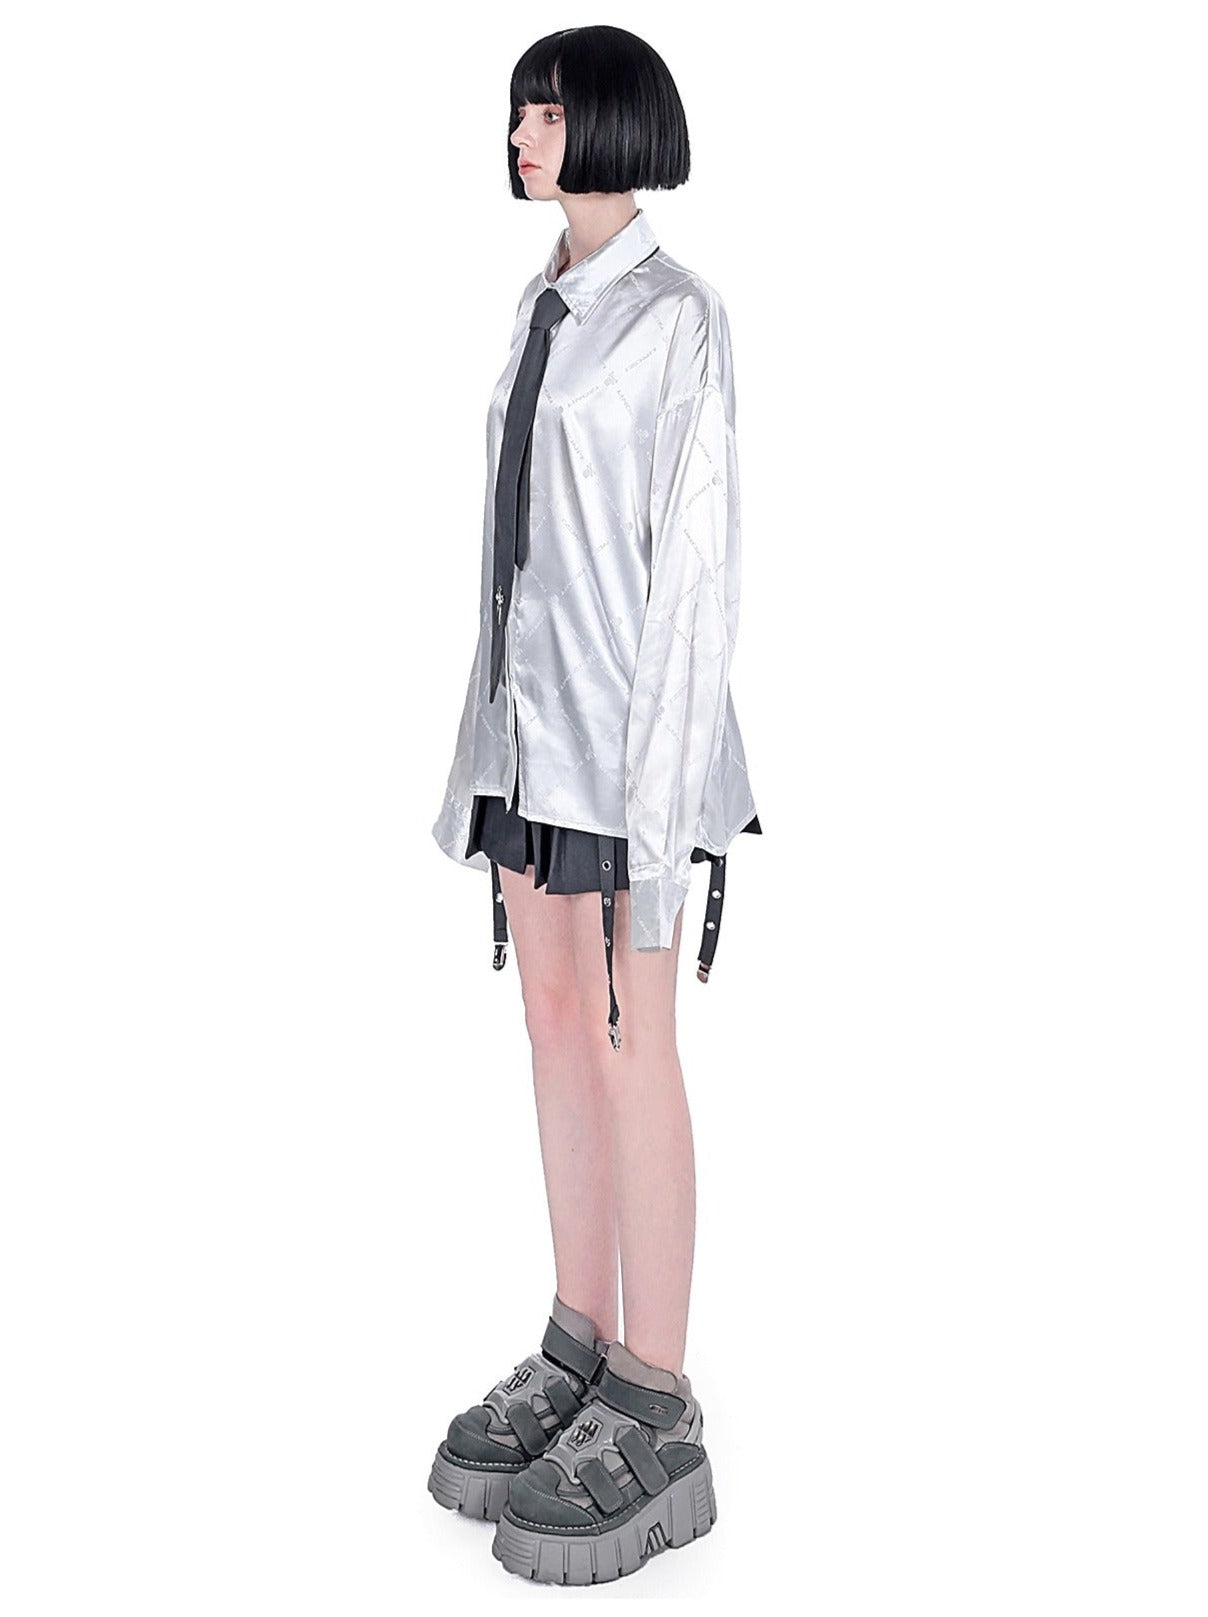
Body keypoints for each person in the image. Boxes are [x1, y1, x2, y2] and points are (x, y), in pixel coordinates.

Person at [427, 25, 762, 1586]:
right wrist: (479, 752)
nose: (524, 130)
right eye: (521, 108)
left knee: (637, 1039)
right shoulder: (538, 305)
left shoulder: (679, 319)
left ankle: (658, 1392)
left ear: (617, 122)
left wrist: (660, 810)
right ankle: (578, 1336)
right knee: (556, 1026)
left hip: (632, 751)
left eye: (550, 110)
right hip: (527, 742)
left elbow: (691, 577)